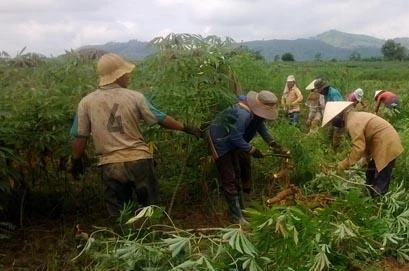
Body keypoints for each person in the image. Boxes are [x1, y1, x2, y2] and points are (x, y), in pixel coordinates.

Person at [71, 53, 201, 217]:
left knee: (120, 214)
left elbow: (80, 137)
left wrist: (76, 160)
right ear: (118, 76)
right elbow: (161, 119)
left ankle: (125, 239)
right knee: (149, 210)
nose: (128, 76)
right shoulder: (135, 97)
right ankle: (151, 238)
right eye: (125, 73)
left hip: (110, 164)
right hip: (139, 161)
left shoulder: (86, 102)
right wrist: (186, 128)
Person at [203, 90, 287, 225]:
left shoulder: (254, 113)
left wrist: (273, 143)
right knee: (229, 177)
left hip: (233, 143)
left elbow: (261, 127)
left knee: (236, 174)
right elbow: (235, 137)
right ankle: (237, 217)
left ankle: (242, 209)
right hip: (220, 142)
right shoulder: (243, 113)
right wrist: (252, 150)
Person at [321, 101, 403, 197]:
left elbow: (358, 148)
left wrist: (344, 164)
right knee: (370, 173)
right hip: (383, 142)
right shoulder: (353, 118)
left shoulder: (353, 123)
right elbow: (365, 140)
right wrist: (366, 158)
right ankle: (370, 196)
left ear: (339, 116)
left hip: (387, 143)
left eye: (332, 121)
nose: (333, 124)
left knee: (381, 177)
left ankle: (378, 203)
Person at [313, 79, 345, 148]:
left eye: (320, 91)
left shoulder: (333, 93)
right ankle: (330, 149)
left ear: (324, 88)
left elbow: (339, 108)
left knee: (336, 138)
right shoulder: (325, 94)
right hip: (333, 118)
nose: (320, 93)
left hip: (339, 118)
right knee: (329, 135)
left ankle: (336, 154)